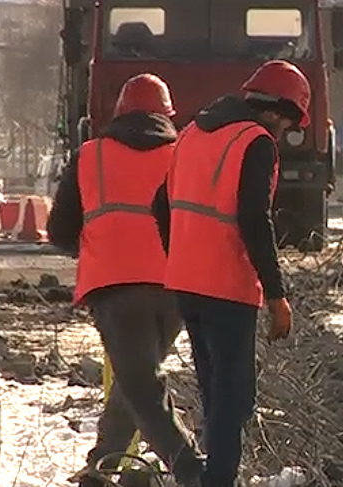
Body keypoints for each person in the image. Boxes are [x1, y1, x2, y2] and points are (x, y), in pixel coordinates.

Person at [152, 60, 307, 487]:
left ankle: (212, 474)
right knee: (234, 397)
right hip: (227, 286)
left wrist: (181, 256)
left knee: (213, 389)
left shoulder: (192, 133)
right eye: (290, 119)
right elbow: (255, 221)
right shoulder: (255, 141)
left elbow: (159, 205)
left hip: (186, 282)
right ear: (276, 110)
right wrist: (277, 295)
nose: (286, 129)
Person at [48, 74, 204, 487]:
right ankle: (102, 466)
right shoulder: (186, 155)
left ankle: (194, 470)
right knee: (134, 378)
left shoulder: (90, 156)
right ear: (168, 114)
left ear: (118, 113)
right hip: (177, 286)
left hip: (115, 287)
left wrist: (100, 242)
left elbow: (59, 231)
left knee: (139, 384)